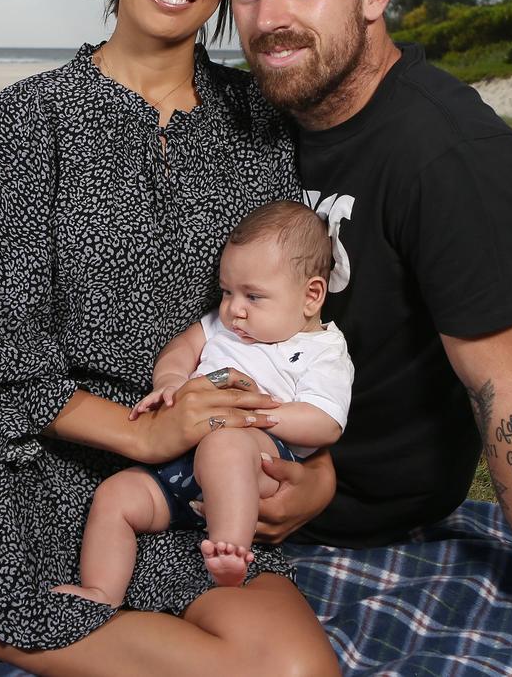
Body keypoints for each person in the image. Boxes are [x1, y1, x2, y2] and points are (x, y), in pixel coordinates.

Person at [0, 0, 341, 677]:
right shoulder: (29, 116)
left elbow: (289, 316)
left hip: (187, 475)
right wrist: (152, 433)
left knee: (299, 669)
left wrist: (312, 477)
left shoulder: (259, 128)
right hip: (25, 458)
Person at [227, 0, 512, 672]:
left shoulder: (452, 161)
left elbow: (506, 396)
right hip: (208, 432)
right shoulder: (254, 115)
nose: (270, 20)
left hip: (348, 512)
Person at [52, 200, 352, 602]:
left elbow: (325, 422)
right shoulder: (223, 325)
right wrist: (171, 381)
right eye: (227, 292)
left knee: (225, 444)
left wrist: (251, 415)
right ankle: (102, 590)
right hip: (179, 471)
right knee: (115, 496)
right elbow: (182, 347)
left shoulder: (322, 351)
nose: (233, 309)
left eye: (253, 296)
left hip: (251, 467)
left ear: (311, 296)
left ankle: (230, 550)